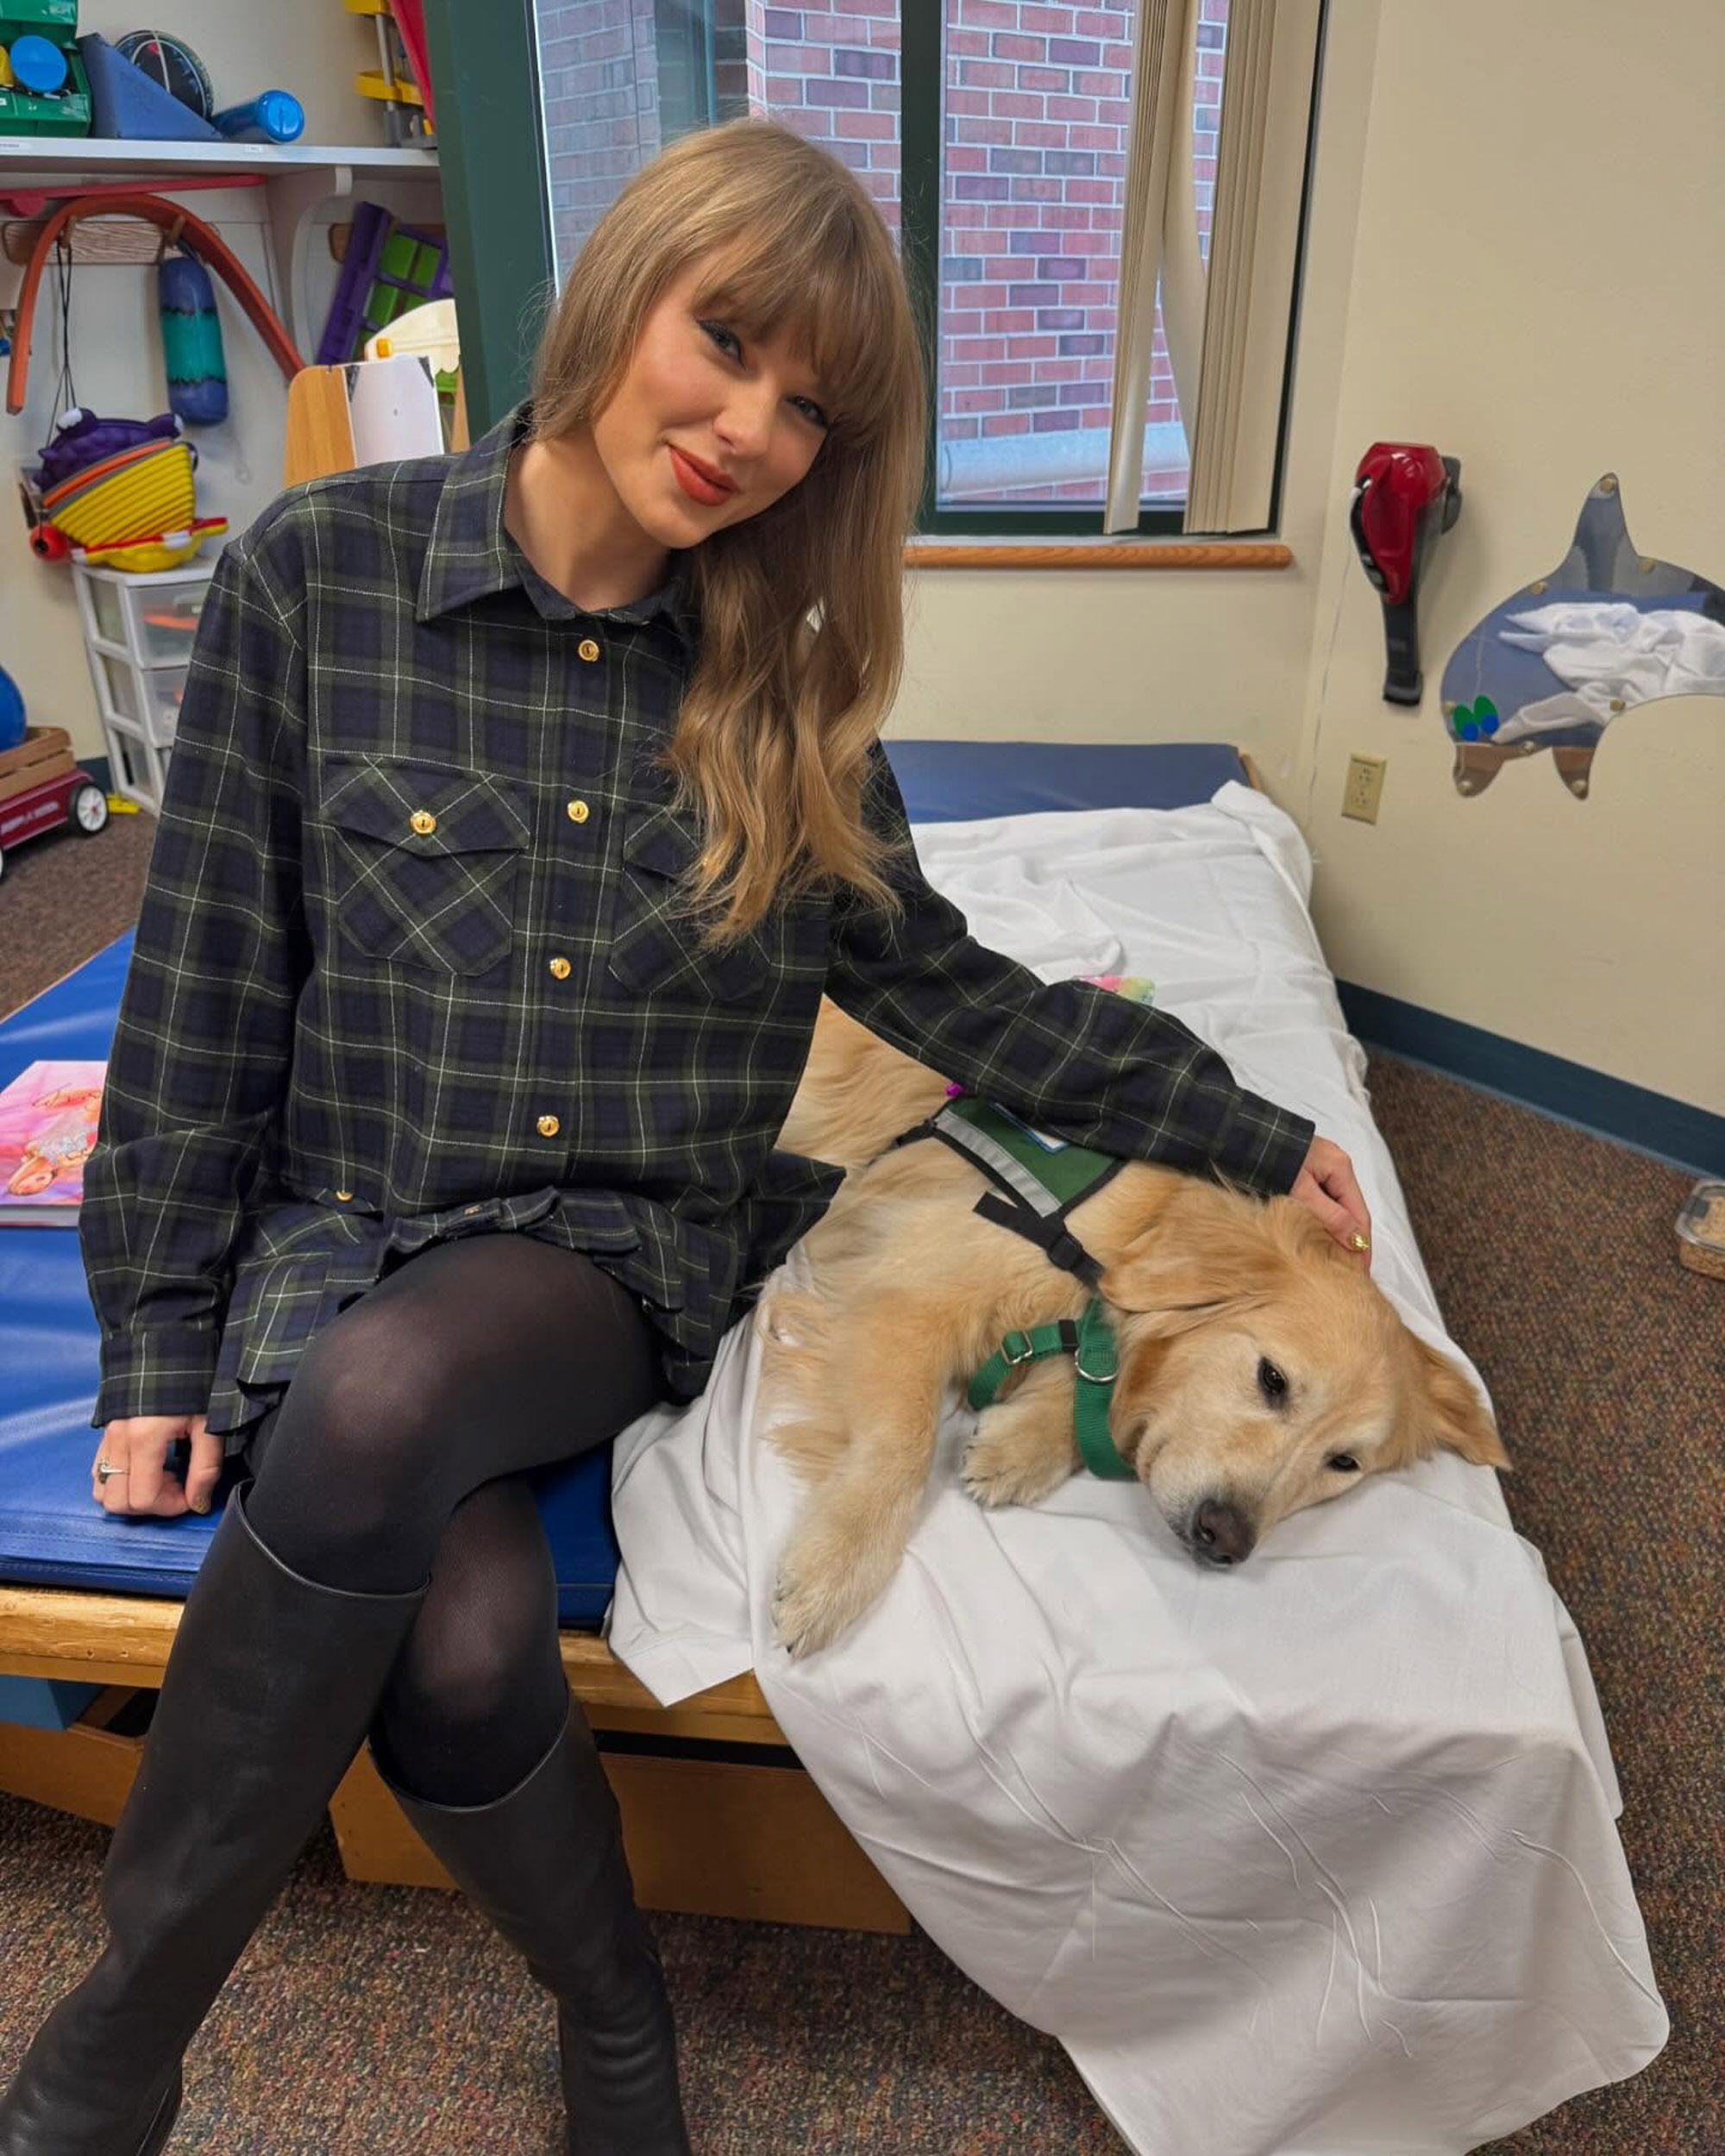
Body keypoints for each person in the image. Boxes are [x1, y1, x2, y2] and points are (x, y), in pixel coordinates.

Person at [0, 118, 1369, 2154]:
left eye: (806, 404)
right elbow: (204, 990)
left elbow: (950, 990)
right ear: (620, 286)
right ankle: (615, 2008)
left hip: (610, 1246)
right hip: (346, 1221)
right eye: (722, 338)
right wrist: (156, 1342)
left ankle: (109, 2051)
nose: (745, 425)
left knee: (378, 1404)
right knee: (457, 1642)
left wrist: (1243, 1128)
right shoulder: (316, 575)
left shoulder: (785, 687)